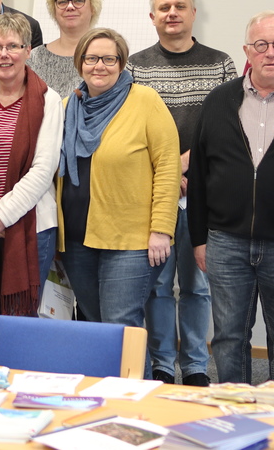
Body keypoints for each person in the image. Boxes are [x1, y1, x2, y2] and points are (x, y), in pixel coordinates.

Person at [187, 11, 274, 384]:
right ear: (247, 50)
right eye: (261, 45)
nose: (270, 53)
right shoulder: (218, 101)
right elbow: (198, 175)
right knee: (229, 338)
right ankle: (236, 420)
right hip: (225, 242)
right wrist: (199, 238)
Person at [128, 0, 236, 387]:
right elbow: (131, 129)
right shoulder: (135, 66)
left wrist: (185, 167)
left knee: (197, 285)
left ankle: (194, 365)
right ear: (152, 16)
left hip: (202, 194)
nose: (172, 13)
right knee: (156, 286)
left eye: (180, 6)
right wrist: (168, 174)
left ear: (193, 13)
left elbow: (227, 129)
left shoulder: (221, 63)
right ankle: (160, 364)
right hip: (154, 195)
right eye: (163, 7)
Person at [58, 28, 182, 328]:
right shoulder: (66, 107)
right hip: (76, 240)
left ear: (121, 62)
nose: (99, 66)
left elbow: (168, 166)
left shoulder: (144, 100)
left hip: (131, 240)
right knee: (100, 327)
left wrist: (162, 229)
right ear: (80, 62)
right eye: (91, 58)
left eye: (108, 59)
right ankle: (137, 376)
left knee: (120, 325)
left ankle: (136, 376)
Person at [0, 13, 64, 317]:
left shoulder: (49, 100)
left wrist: (2, 215)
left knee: (22, 319)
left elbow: (44, 169)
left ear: (28, 51)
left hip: (32, 227)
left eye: (12, 46)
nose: (4, 55)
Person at [27, 0, 102, 98]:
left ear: (93, 7)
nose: (70, 7)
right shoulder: (33, 59)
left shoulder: (107, 58)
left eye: (78, 0)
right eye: (62, 2)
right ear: (54, 9)